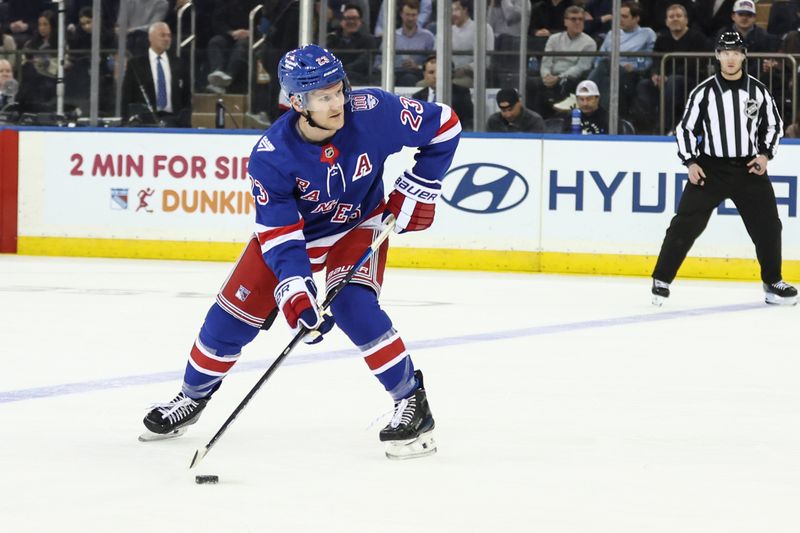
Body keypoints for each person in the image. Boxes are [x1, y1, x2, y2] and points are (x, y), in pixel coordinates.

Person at [140, 44, 462, 460]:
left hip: (358, 224)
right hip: (299, 237)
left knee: (353, 305)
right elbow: (280, 234)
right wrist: (295, 292)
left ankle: (411, 401)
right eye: (323, 97)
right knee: (228, 321)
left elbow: (445, 125)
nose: (337, 103)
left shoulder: (374, 111)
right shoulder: (271, 156)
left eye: (338, 90)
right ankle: (191, 396)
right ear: (297, 102)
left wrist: (421, 185)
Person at [651, 32, 797, 306]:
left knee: (768, 226)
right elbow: (685, 129)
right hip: (710, 169)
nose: (731, 58)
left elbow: (774, 125)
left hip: (749, 169)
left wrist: (765, 155)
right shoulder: (704, 91)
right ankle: (661, 279)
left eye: (736, 52)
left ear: (744, 56)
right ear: (717, 56)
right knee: (684, 224)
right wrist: (690, 161)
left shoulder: (758, 91)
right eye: (725, 52)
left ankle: (772, 282)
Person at [632, 3, 709, 133]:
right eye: (671, 17)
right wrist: (656, 74)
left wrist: (667, 77)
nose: (675, 19)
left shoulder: (697, 37)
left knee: (674, 81)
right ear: (666, 22)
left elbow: (693, 65)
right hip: (665, 80)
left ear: (686, 20)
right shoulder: (662, 39)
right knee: (644, 85)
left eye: (679, 16)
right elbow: (656, 60)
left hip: (690, 81)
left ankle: (664, 127)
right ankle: (647, 128)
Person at [587, 1, 656, 113]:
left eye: (624, 16)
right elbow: (600, 56)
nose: (620, 20)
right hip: (607, 71)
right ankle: (605, 118)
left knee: (605, 63)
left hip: (630, 74)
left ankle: (583, 93)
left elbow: (650, 59)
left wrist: (635, 67)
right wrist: (597, 67)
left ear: (636, 18)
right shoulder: (612, 33)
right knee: (606, 79)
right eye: (618, 16)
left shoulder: (647, 33)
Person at [120, 22, 191, 127]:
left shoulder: (179, 63)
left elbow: (186, 96)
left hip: (174, 121)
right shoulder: (135, 64)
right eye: (162, 35)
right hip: (144, 122)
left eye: (169, 36)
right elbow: (127, 95)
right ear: (150, 38)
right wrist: (125, 122)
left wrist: (184, 120)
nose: (166, 39)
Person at [532, 5, 596, 117]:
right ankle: (537, 120)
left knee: (565, 83)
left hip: (569, 78)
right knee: (531, 83)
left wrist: (559, 77)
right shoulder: (554, 38)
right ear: (565, 22)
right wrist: (546, 77)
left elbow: (581, 67)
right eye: (573, 19)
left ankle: (560, 119)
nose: (577, 22)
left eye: (580, 19)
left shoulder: (589, 43)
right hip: (550, 76)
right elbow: (546, 62)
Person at [206, 0, 261, 94]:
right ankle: (217, 72)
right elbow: (217, 21)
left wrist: (251, 32)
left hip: (250, 36)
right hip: (229, 35)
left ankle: (228, 76)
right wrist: (231, 32)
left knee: (241, 46)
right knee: (215, 42)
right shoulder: (224, 2)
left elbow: (262, 21)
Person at [413, 55, 474, 130]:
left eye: (440, 72)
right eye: (431, 72)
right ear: (424, 75)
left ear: (450, 73)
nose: (436, 76)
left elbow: (469, 120)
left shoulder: (461, 93)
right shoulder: (417, 97)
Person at [326, 3, 377, 85]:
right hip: (334, 80)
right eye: (348, 18)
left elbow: (365, 63)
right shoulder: (331, 39)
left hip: (360, 80)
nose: (351, 21)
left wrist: (344, 69)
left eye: (355, 18)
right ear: (341, 21)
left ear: (360, 21)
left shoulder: (369, 40)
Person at [451, 0, 495, 87]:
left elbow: (486, 60)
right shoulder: (446, 30)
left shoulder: (483, 28)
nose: (453, 14)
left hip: (471, 76)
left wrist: (466, 69)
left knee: (452, 85)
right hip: (446, 74)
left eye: (456, 9)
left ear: (465, 10)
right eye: (451, 10)